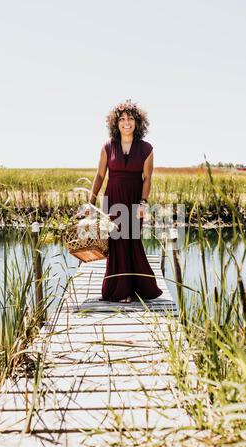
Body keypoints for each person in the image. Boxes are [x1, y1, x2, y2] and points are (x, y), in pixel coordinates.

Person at [80, 99, 163, 303]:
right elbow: (100, 176)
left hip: (135, 200)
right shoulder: (108, 146)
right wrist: (90, 202)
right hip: (113, 198)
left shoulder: (146, 149)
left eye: (131, 119)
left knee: (132, 241)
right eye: (122, 119)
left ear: (138, 122)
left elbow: (147, 178)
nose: (127, 123)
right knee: (116, 243)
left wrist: (143, 203)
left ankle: (139, 288)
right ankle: (119, 290)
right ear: (115, 123)